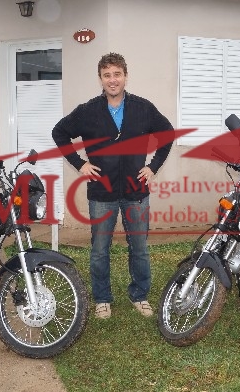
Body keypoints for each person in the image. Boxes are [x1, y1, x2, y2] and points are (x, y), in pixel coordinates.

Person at [52, 52, 174, 320]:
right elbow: (59, 132)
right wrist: (79, 163)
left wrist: (153, 167)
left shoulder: (143, 108)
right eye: (107, 75)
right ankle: (102, 298)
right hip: (101, 193)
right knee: (99, 250)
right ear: (100, 79)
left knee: (139, 248)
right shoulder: (88, 111)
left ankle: (139, 295)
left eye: (117, 74)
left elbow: (167, 134)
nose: (112, 80)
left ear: (125, 76)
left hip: (136, 192)